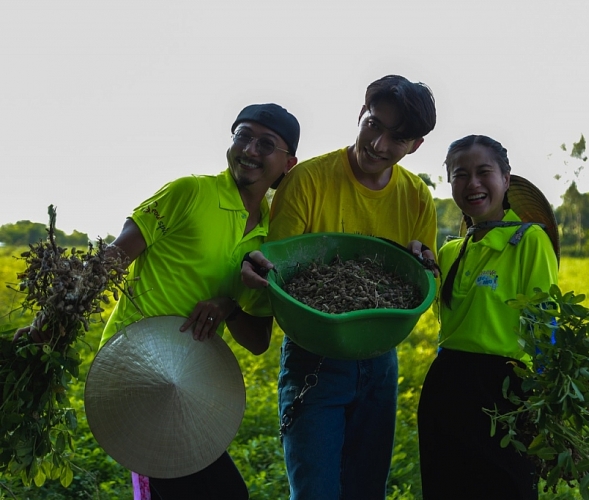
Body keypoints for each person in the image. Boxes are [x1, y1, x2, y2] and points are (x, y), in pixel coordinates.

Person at [14, 103, 300, 500]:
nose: (250, 149)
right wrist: (47, 322)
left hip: (189, 382)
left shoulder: (271, 237)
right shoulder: (190, 192)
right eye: (242, 136)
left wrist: (229, 306)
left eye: (265, 144)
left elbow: (258, 341)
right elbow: (111, 259)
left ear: (289, 163)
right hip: (136, 368)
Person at [262, 74, 438, 500]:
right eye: (374, 124)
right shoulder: (308, 181)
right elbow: (278, 272)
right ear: (361, 114)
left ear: (414, 145)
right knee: (316, 491)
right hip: (314, 358)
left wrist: (423, 265)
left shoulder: (415, 197)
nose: (379, 145)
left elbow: (423, 286)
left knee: (365, 489)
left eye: (397, 138)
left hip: (380, 360)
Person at [416, 135, 559, 500]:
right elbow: (444, 319)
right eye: (460, 175)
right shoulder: (449, 252)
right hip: (447, 386)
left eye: (484, 172)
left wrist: (547, 406)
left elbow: (544, 323)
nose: (472, 184)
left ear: (506, 179)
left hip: (507, 390)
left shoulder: (530, 240)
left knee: (505, 488)